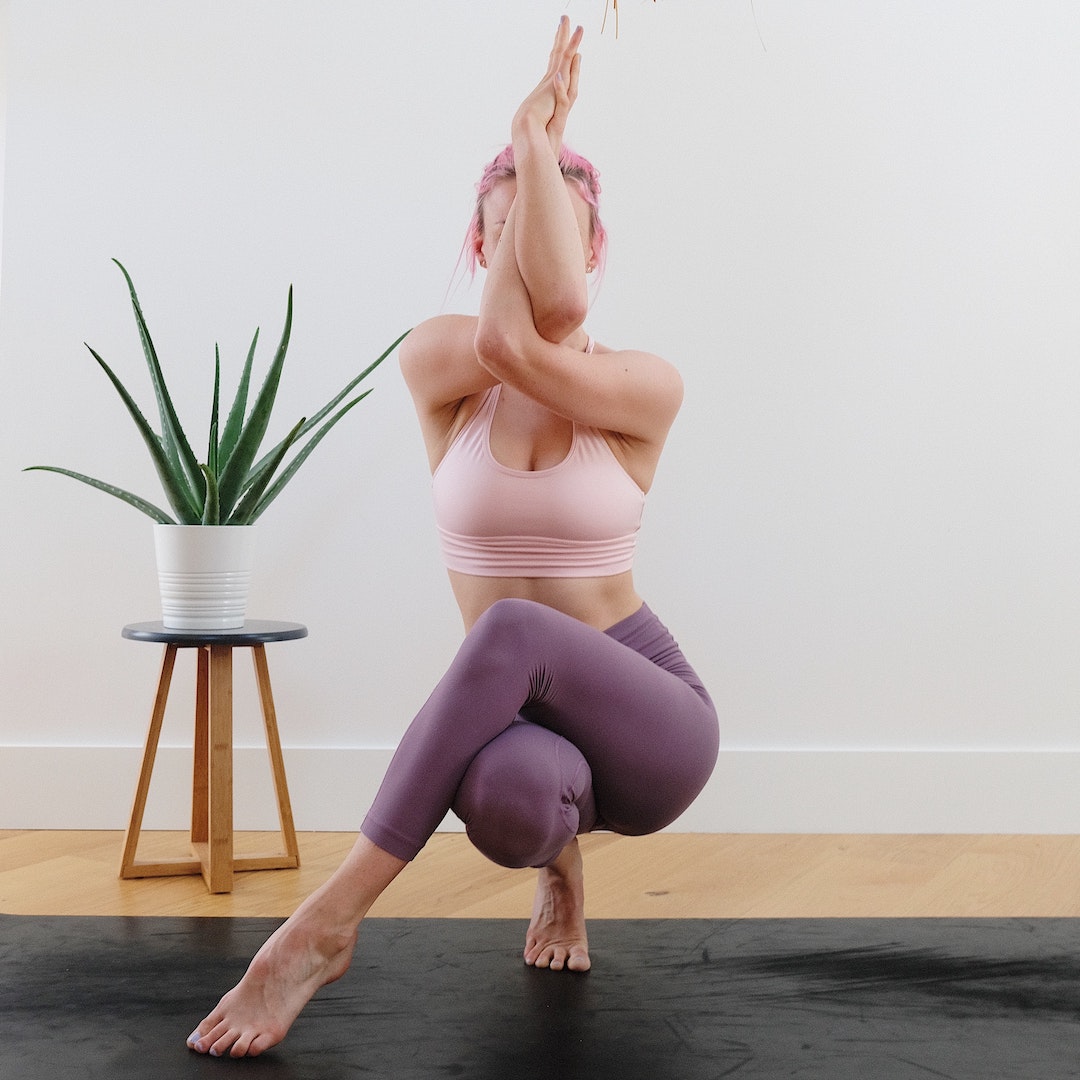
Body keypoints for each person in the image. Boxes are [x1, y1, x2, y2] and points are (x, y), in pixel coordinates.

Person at [187, 17, 718, 1059]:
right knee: (511, 801)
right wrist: (534, 160)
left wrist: (532, 143)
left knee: (514, 624)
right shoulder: (440, 365)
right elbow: (499, 340)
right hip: (524, 732)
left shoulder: (639, 388)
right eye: (508, 231)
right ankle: (556, 869)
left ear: (594, 245)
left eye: (555, 228)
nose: (531, 248)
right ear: (480, 249)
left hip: (652, 726)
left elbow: (542, 319)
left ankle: (322, 928)